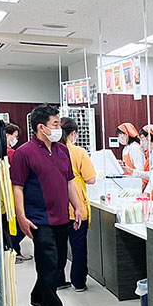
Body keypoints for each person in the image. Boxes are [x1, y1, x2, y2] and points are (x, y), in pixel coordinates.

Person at [10, 104, 83, 306]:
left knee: (59, 262)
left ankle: (37, 296)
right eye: (55, 124)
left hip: (62, 217)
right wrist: (21, 217)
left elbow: (70, 181)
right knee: (49, 264)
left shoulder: (63, 151)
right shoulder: (24, 153)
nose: (59, 127)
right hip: (38, 219)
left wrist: (77, 206)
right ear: (42, 127)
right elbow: (17, 187)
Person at [57, 117, 96, 292]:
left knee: (58, 247)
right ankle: (78, 282)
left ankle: (58, 279)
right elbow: (91, 179)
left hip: (56, 207)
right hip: (76, 207)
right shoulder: (78, 152)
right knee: (78, 247)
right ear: (73, 133)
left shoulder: (52, 151)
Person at [3, 123, 32, 263]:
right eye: (14, 136)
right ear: (7, 135)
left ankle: (13, 250)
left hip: (4, 194)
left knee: (8, 224)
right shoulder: (12, 153)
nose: (15, 140)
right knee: (18, 224)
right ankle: (14, 250)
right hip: (13, 192)